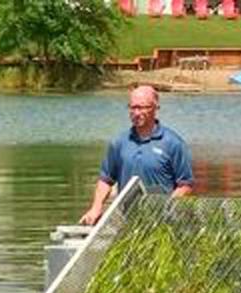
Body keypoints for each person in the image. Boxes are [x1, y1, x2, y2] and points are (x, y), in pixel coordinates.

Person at [79, 85, 194, 226]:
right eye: (132, 107)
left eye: (142, 107)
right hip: (126, 219)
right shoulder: (119, 142)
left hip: (161, 222)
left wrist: (167, 208)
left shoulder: (173, 143)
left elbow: (185, 185)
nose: (136, 112)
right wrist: (96, 208)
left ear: (155, 108)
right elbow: (105, 180)